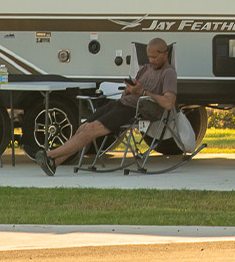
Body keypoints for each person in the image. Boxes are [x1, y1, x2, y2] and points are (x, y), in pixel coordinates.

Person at [37, 37, 177, 173]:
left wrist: (143, 91)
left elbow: (169, 103)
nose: (151, 61)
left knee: (92, 129)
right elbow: (129, 94)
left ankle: (49, 154)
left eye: (154, 58)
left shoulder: (168, 73)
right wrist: (129, 90)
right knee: (84, 127)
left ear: (165, 54)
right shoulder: (146, 68)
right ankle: (54, 164)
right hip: (123, 103)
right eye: (149, 57)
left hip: (138, 110)